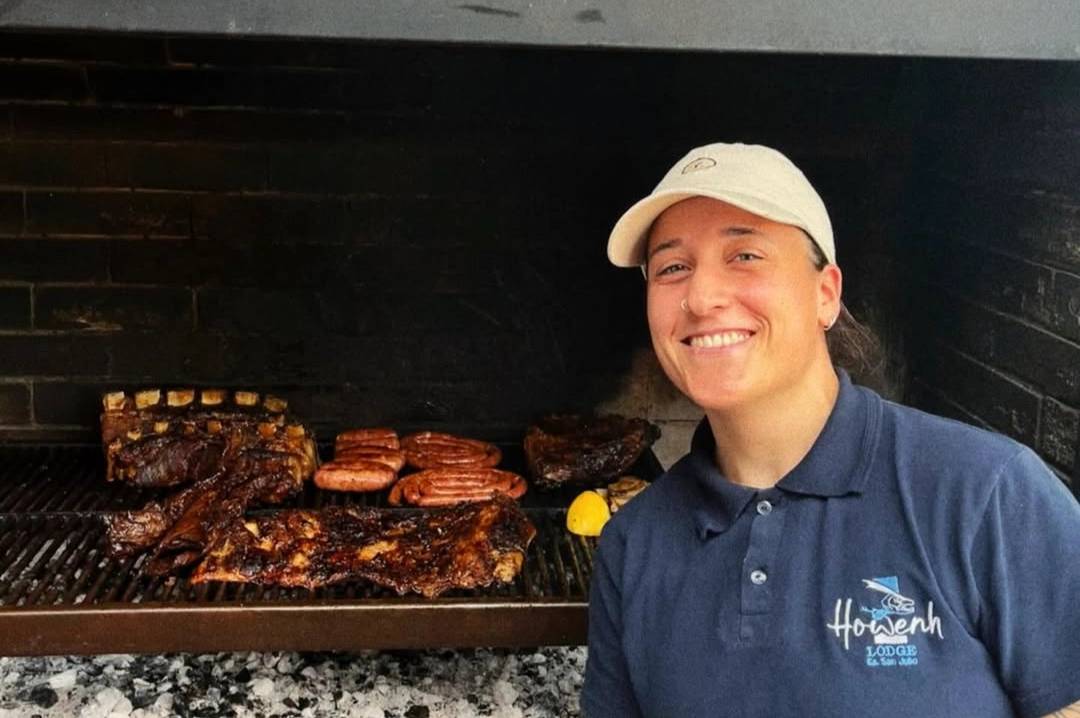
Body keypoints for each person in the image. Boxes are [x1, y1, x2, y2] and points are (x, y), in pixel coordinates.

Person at [581, 142, 1080, 718]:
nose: (701, 296)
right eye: (672, 267)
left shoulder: (987, 494)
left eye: (744, 255)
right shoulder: (634, 542)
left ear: (826, 294)